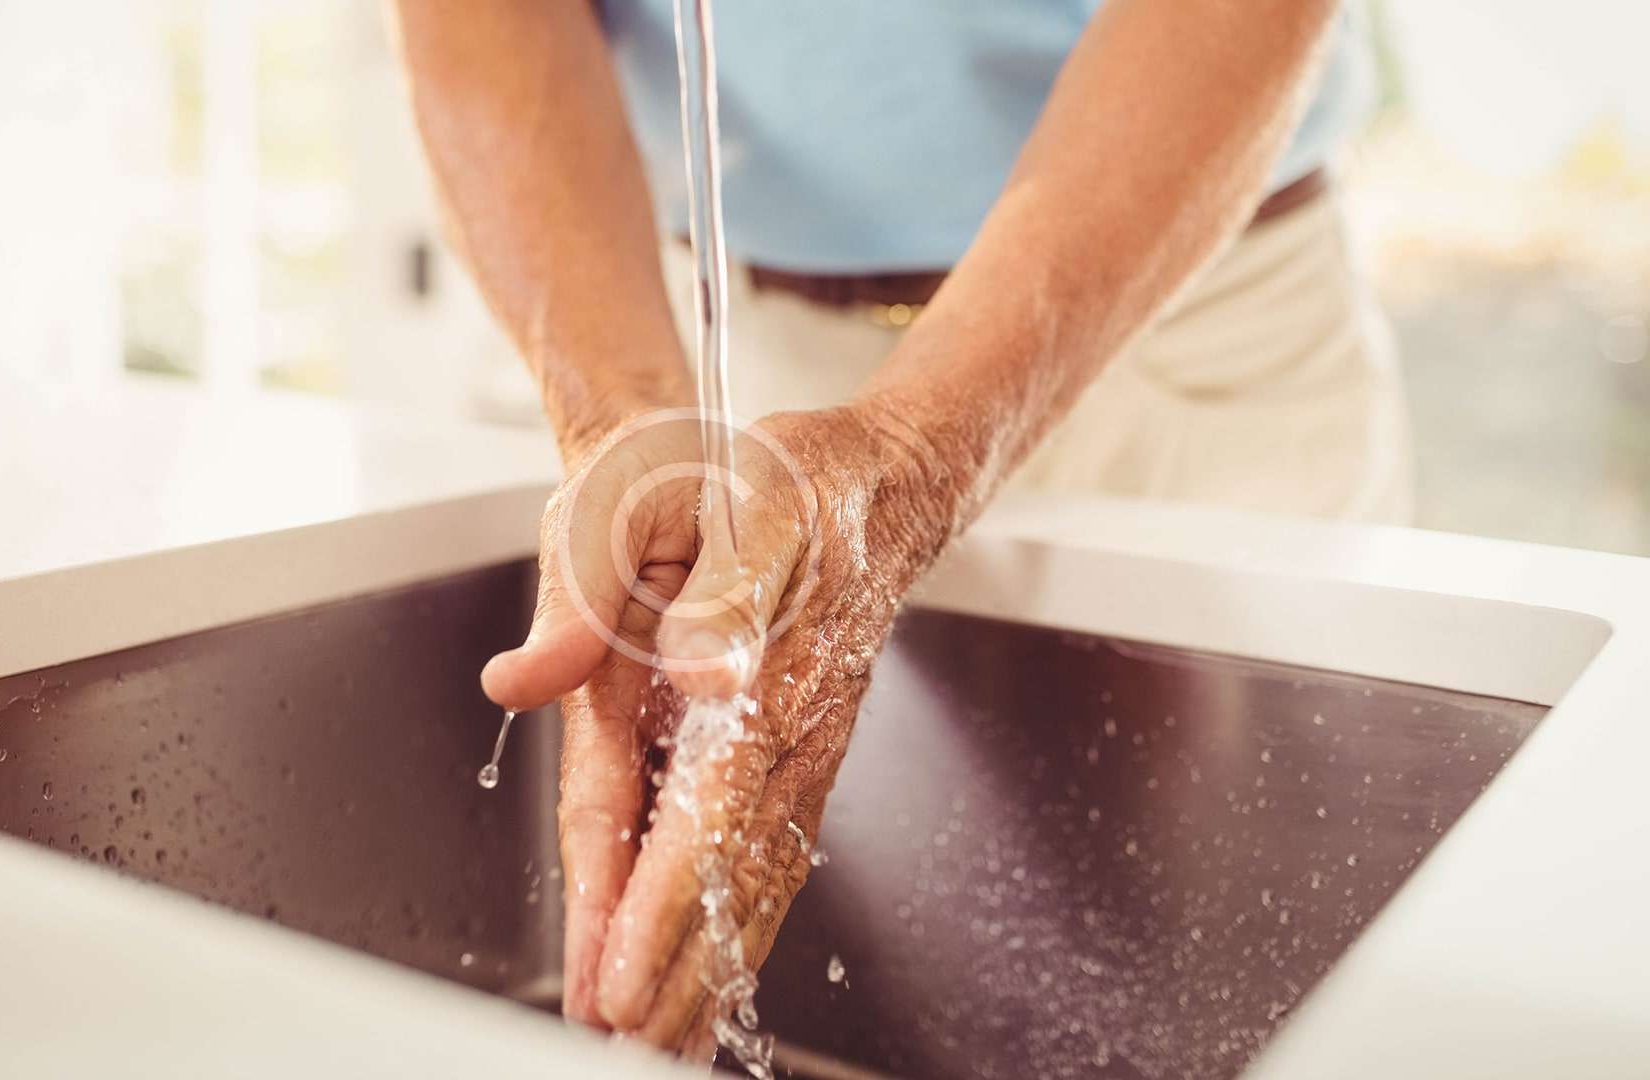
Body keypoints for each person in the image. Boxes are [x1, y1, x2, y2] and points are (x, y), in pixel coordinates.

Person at [389, 0, 1411, 1060]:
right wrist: (628, 414)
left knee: (1255, 983)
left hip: (1184, 296)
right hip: (749, 341)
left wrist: (915, 451)